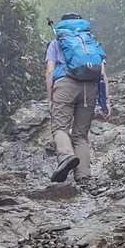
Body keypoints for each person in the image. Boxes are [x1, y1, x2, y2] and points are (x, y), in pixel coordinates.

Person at [45, 13, 112, 185]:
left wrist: (50, 98)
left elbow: (50, 72)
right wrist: (105, 101)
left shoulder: (57, 42)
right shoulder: (91, 43)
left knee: (60, 128)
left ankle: (66, 157)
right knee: (81, 135)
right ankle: (84, 177)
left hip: (65, 85)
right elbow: (102, 74)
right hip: (89, 87)